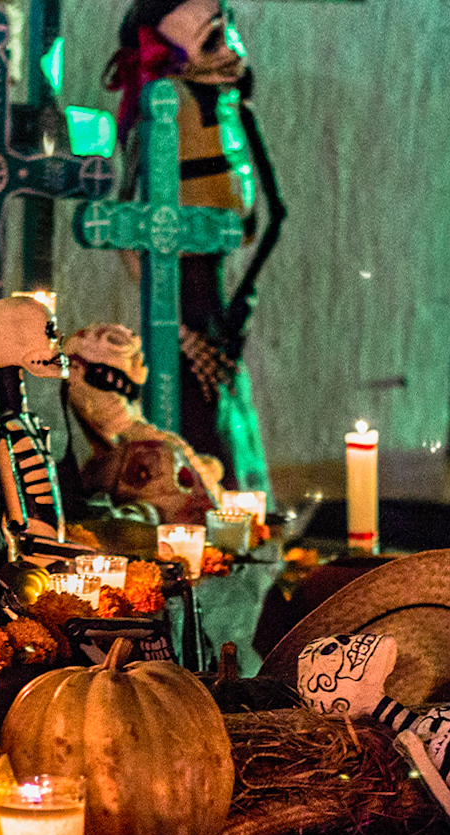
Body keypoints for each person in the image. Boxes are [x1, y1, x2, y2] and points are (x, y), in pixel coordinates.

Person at [106, 0, 280, 492]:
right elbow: (131, 228)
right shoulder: (166, 111)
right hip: (179, 287)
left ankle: (238, 511)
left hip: (211, 286)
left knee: (221, 397)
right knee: (193, 403)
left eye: (228, 33)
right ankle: (204, 512)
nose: (230, 51)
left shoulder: (223, 105)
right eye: (211, 41)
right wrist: (180, 333)